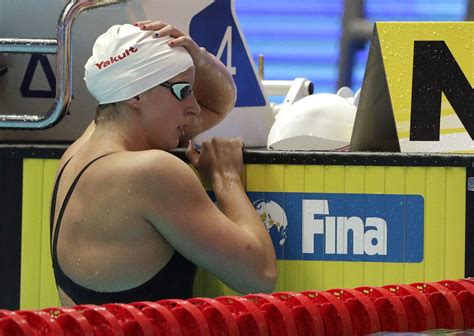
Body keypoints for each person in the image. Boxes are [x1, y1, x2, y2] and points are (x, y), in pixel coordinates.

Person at [50, 21, 277, 306]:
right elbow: (259, 275)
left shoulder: (81, 150)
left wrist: (196, 56)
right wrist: (226, 179)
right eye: (183, 90)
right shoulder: (150, 173)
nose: (194, 106)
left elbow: (218, 102)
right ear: (135, 94)